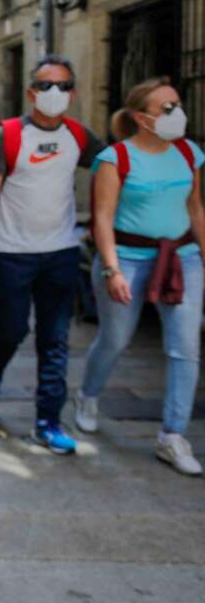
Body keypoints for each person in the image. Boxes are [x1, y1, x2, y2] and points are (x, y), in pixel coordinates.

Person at [0, 55, 106, 455]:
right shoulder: (8, 136)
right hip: (11, 254)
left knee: (56, 340)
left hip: (60, 253)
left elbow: (114, 166)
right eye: (46, 86)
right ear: (31, 92)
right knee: (11, 331)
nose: (55, 93)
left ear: (74, 92)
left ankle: (48, 421)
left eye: (63, 86)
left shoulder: (79, 137)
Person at [77, 77, 205, 475]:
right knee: (115, 339)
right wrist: (112, 268)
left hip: (181, 258)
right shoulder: (116, 159)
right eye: (166, 108)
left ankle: (173, 436)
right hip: (127, 257)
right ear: (140, 117)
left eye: (177, 105)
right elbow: (102, 218)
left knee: (185, 346)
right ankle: (88, 395)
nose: (177, 113)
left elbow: (196, 207)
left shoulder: (189, 152)